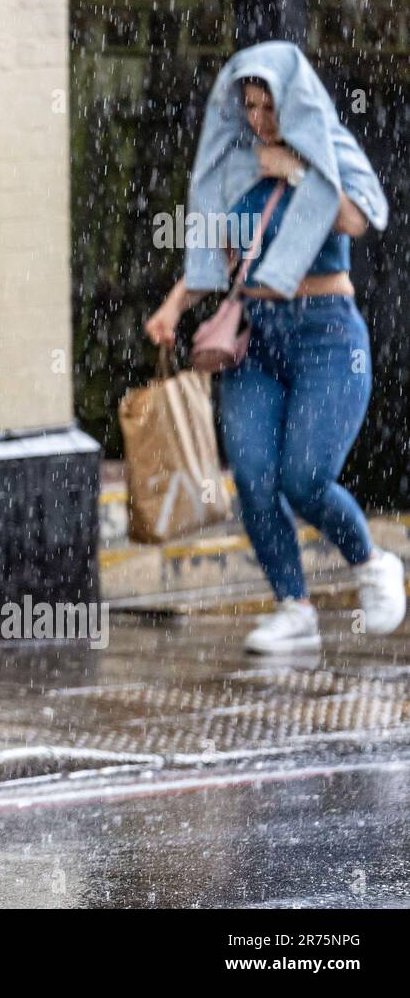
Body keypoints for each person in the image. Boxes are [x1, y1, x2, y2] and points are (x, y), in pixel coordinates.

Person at [144, 42, 405, 654]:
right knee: (256, 479)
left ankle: (372, 563)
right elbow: (223, 252)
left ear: (295, 103)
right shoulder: (238, 163)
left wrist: (292, 167)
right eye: (250, 106)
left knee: (306, 477)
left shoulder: (327, 151)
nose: (259, 119)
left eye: (270, 106)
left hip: (328, 332)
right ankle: (293, 606)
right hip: (256, 336)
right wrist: (175, 305)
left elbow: (356, 218)